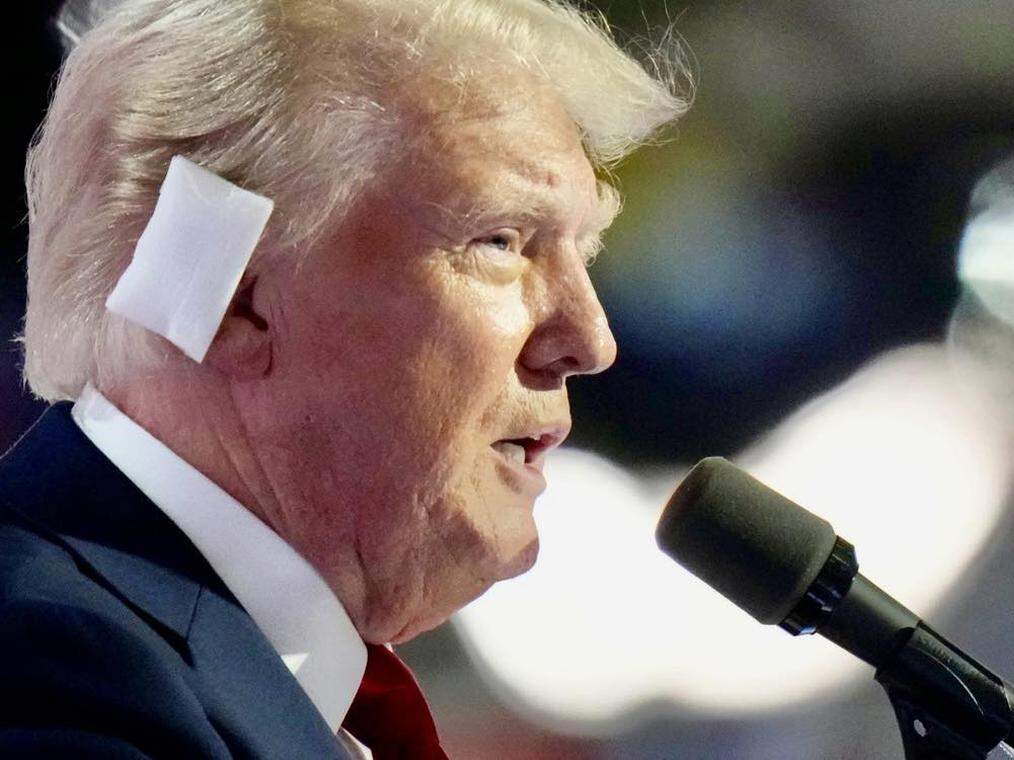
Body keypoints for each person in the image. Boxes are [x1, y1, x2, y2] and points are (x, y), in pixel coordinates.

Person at [0, 0, 688, 756]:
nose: (589, 340)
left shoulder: (246, 682)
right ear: (239, 302)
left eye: (580, 253)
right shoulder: (54, 672)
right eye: (501, 241)